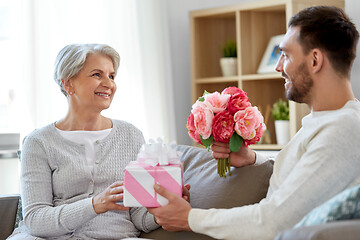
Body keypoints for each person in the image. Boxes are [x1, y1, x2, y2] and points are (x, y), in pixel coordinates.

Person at [148, 6, 360, 240]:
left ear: (315, 60)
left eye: (286, 55)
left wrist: (189, 218)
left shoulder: (343, 130)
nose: (278, 66)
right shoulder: (327, 120)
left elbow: (272, 222)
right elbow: (299, 175)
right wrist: (252, 158)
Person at [8, 44, 160, 239]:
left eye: (112, 76)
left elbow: (139, 216)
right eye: (97, 74)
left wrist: (165, 208)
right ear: (68, 83)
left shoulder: (132, 136)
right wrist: (95, 205)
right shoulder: (38, 142)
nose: (109, 84)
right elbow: (36, 220)